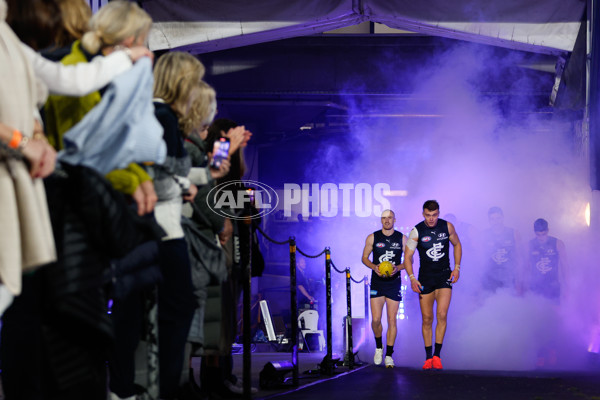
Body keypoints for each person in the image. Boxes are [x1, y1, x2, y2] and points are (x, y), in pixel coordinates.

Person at [403, 200, 461, 370]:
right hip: (425, 278)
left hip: (444, 276)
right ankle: (428, 357)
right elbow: (407, 257)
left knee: (442, 315)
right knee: (427, 318)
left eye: (434, 215)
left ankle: (437, 355)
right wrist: (412, 278)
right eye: (428, 215)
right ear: (423, 214)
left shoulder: (447, 227)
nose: (431, 219)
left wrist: (457, 268)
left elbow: (457, 245)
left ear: (438, 213)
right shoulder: (417, 231)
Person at [361, 209, 406, 368]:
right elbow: (364, 258)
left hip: (394, 283)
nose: (387, 220)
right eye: (384, 218)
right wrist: (374, 267)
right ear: (381, 220)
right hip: (377, 283)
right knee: (376, 320)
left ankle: (389, 355)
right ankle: (379, 347)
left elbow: (409, 261)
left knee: (392, 320)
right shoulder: (373, 237)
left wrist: (398, 268)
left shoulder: (402, 238)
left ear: (395, 219)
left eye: (390, 218)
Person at [482, 206, 523, 294]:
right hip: (490, 278)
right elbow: (481, 260)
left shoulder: (514, 233)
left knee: (510, 305)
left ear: (503, 218)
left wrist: (519, 281)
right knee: (491, 305)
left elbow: (520, 257)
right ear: (489, 220)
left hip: (509, 276)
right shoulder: (484, 235)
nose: (495, 222)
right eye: (492, 219)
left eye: (498, 218)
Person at [526, 218, 569, 302]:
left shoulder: (558, 243)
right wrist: (525, 287)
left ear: (548, 230)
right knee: (535, 313)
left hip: (553, 286)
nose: (541, 237)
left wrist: (567, 287)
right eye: (538, 235)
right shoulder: (529, 245)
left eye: (544, 234)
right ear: (534, 232)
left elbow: (565, 267)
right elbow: (526, 268)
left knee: (553, 313)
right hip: (535, 286)